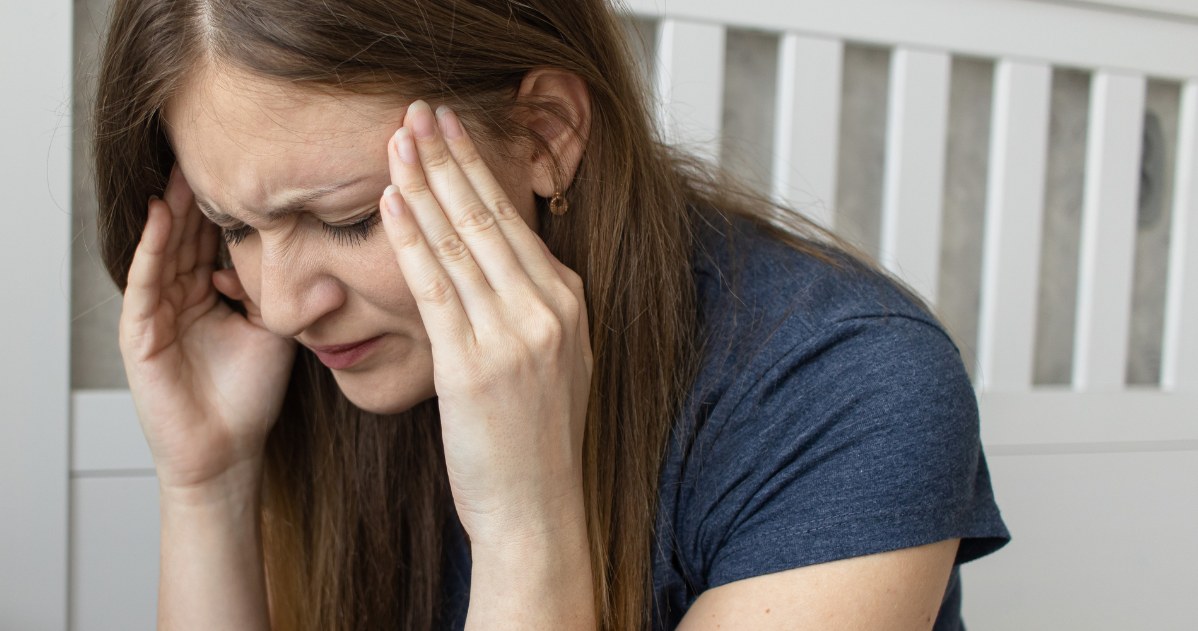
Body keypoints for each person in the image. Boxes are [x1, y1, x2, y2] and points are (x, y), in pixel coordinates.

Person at [92, 0, 1009, 629]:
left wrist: (525, 524)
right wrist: (208, 482)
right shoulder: (304, 357)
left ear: (543, 137)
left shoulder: (850, 389)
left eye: (350, 218)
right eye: (234, 227)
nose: (286, 307)